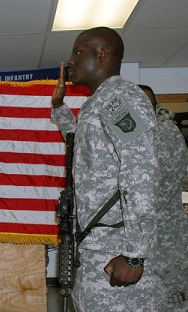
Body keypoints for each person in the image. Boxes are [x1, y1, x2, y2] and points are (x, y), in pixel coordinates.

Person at [51, 27, 165, 311]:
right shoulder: (98, 103)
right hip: (97, 248)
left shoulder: (121, 99)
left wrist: (135, 255)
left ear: (103, 55)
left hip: (117, 249)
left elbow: (140, 172)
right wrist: (58, 107)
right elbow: (79, 139)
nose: (71, 61)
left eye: (78, 52)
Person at [139, 84, 188, 311]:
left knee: (169, 300)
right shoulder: (166, 132)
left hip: (164, 238)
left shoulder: (159, 136)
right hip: (167, 235)